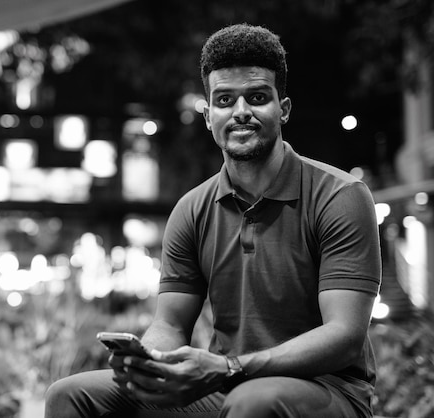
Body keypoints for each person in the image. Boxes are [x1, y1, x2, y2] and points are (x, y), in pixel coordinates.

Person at [45, 22, 381, 418]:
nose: (241, 113)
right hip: (227, 386)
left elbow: (344, 336)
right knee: (71, 394)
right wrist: (152, 363)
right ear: (208, 116)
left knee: (252, 402)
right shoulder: (192, 209)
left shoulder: (340, 197)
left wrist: (230, 367)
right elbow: (170, 323)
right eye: (224, 100)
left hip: (330, 389)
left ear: (283, 109)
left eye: (257, 97)